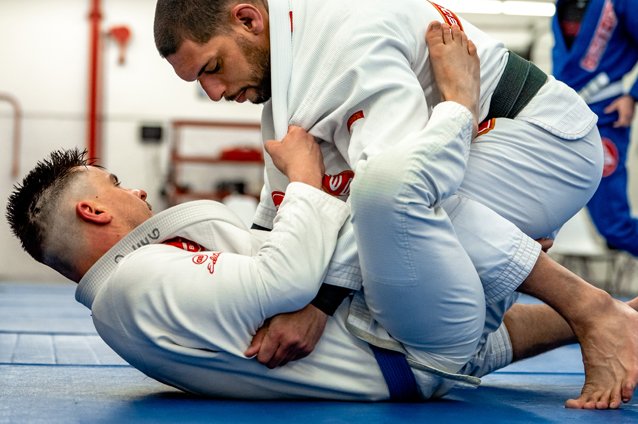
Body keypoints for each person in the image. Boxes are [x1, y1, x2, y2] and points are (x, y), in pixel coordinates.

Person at [5, 45, 636, 401]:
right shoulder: (137, 287)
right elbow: (288, 276)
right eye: (115, 185)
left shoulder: (143, 279)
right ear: (92, 211)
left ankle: (618, 313)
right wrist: (306, 177)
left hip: (408, 357)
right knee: (393, 190)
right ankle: (591, 308)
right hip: (408, 347)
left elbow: (273, 262)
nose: (134, 187)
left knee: (415, 220)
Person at [153, 0, 637, 409]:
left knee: (389, 203)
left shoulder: (344, 34)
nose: (214, 93)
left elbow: (399, 181)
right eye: (200, 83)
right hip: (479, 157)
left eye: (212, 68)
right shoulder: (284, 94)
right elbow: (278, 213)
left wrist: (319, 303)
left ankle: (593, 311)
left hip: (539, 140)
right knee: (415, 330)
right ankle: (623, 312)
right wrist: (245, 292)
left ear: (248, 19)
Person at [552, 0, 638, 256]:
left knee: (614, 226)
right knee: (533, 216)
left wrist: (633, 96)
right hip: (561, 116)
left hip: (605, 116)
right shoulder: (563, 3)